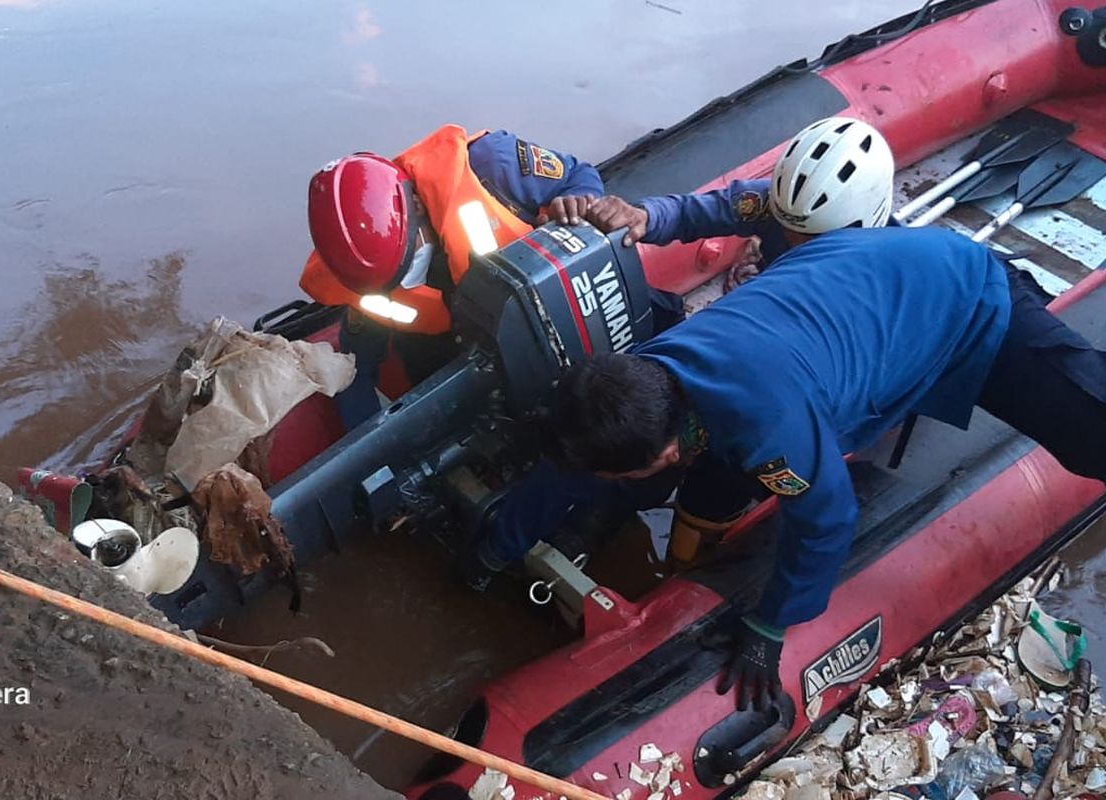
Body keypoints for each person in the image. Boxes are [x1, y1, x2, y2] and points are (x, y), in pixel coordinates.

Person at [543, 119, 1106, 711]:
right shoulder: (653, 368)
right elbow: (725, 207)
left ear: (663, 454)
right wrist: (650, 217)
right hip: (849, 313)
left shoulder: (770, 427)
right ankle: (687, 563)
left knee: (1088, 430)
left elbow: (828, 517)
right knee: (720, 475)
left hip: (965, 299)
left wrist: (771, 624)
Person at [465, 117, 896, 588]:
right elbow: (705, 209)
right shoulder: (780, 207)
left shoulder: (875, 284)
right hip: (730, 341)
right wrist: (644, 217)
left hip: (789, 376)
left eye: (803, 239)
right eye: (786, 228)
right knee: (616, 440)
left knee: (714, 493)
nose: (791, 242)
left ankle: (683, 568)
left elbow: (821, 496)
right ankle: (563, 530)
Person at [301, 125, 610, 429]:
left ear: (417, 205)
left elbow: (579, 175)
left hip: (543, 309)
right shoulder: (361, 276)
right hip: (448, 348)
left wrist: (578, 199)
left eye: (407, 264)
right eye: (391, 282)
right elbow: (356, 365)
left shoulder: (493, 164)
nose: (406, 283)